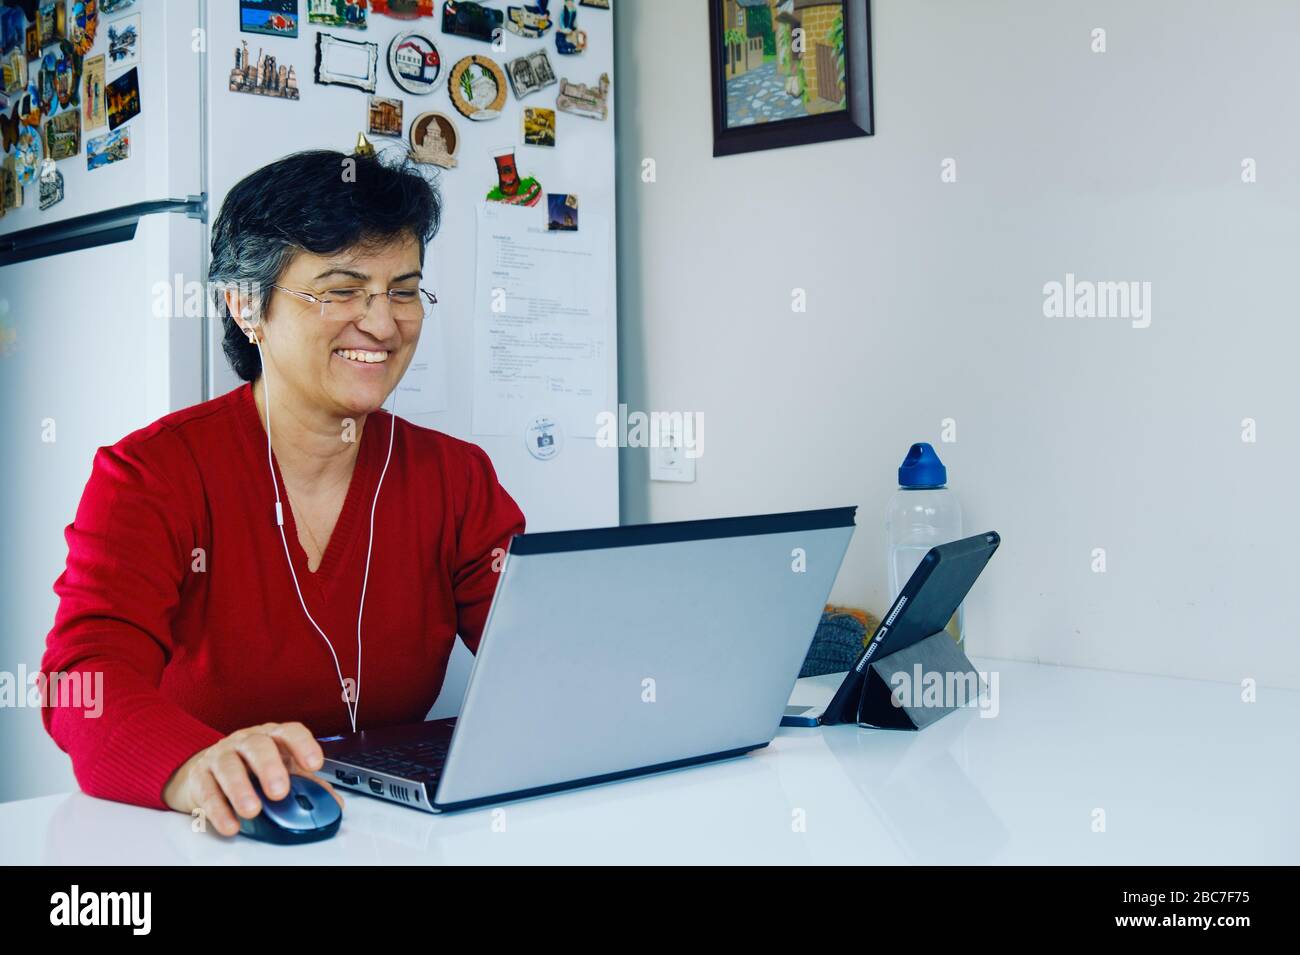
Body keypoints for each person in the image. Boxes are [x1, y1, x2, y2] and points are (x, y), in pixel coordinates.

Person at [40, 149, 526, 837]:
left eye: (403, 289)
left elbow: (539, 651)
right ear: (246, 304)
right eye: (341, 289)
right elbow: (80, 683)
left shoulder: (456, 477)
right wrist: (196, 764)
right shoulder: (152, 474)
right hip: (211, 842)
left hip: (395, 840)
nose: (384, 324)